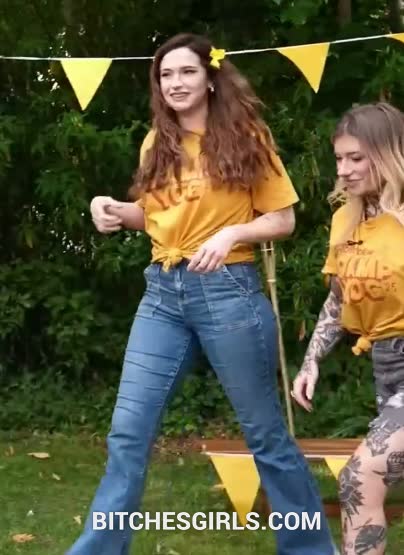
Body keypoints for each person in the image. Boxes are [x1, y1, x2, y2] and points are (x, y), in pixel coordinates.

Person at [67, 33, 336, 555]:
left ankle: (310, 550)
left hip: (229, 292)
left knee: (265, 435)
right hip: (162, 295)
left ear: (210, 78)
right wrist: (113, 210)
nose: (175, 83)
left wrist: (232, 233)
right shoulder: (157, 142)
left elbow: (282, 219)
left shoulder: (246, 136)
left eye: (187, 72)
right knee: (128, 431)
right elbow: (155, 216)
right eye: (166, 75)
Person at [292, 101, 404, 555]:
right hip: (385, 365)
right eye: (339, 158)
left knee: (361, 477)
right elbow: (340, 297)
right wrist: (312, 361)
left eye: (356, 158)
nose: (344, 170)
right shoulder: (347, 219)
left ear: (390, 153)